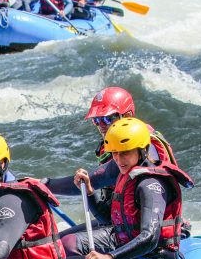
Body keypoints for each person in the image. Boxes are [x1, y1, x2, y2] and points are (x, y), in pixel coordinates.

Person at [64, 118, 193, 259]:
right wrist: (90, 192)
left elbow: (149, 237)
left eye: (125, 153)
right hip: (131, 255)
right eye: (115, 153)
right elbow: (107, 219)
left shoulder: (151, 185)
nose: (118, 159)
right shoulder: (129, 176)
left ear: (143, 150)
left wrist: (110, 257)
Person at [44, 86, 178, 223]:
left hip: (148, 225)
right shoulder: (117, 145)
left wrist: (44, 184)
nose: (101, 125)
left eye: (108, 119)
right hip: (125, 219)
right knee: (61, 238)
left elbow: (96, 179)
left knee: (68, 242)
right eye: (96, 120)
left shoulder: (140, 146)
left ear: (127, 116)